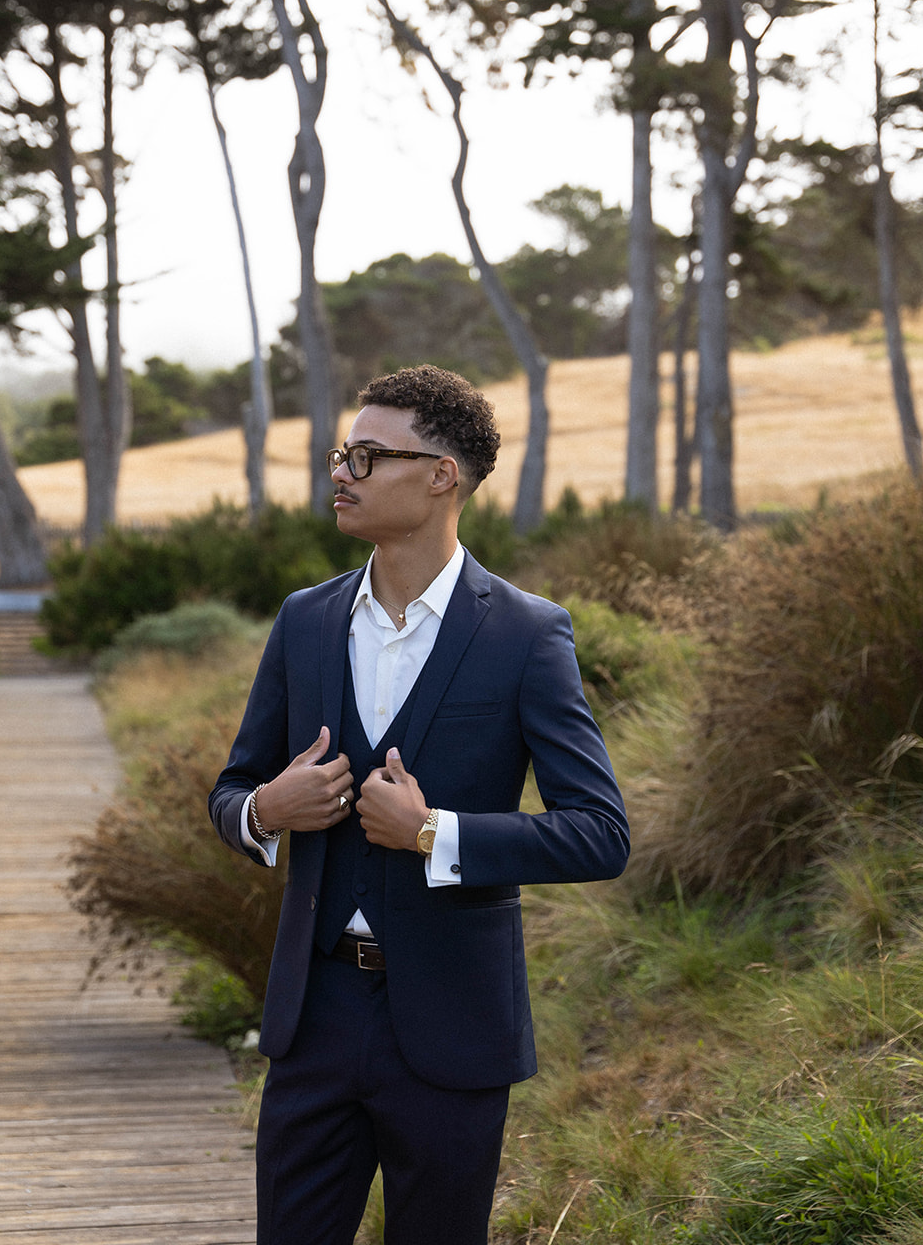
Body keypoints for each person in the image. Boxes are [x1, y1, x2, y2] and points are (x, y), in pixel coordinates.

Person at [208, 365, 629, 1245]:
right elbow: (232, 792)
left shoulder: (525, 633)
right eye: (340, 455)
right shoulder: (305, 621)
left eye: (366, 456)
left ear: (441, 474)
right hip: (312, 1018)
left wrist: (433, 832)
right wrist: (269, 810)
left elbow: (598, 833)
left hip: (452, 1026)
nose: (341, 474)